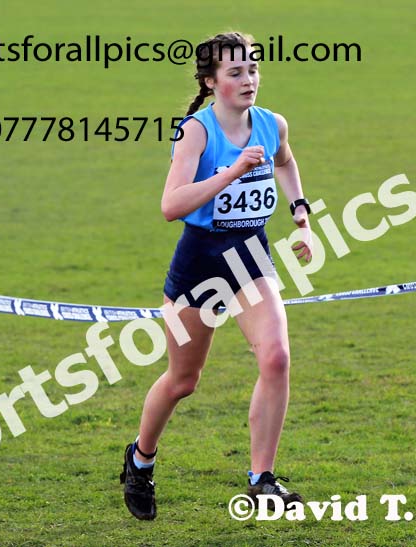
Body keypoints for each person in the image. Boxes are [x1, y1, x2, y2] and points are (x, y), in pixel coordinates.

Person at [120, 31, 313, 521]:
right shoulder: (196, 132)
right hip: (201, 264)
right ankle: (140, 459)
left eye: (253, 69)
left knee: (276, 357)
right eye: (235, 72)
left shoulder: (272, 124)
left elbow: (286, 161)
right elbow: (171, 206)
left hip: (250, 256)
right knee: (183, 380)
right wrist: (231, 172)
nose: (249, 80)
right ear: (211, 82)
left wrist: (301, 214)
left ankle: (262, 479)